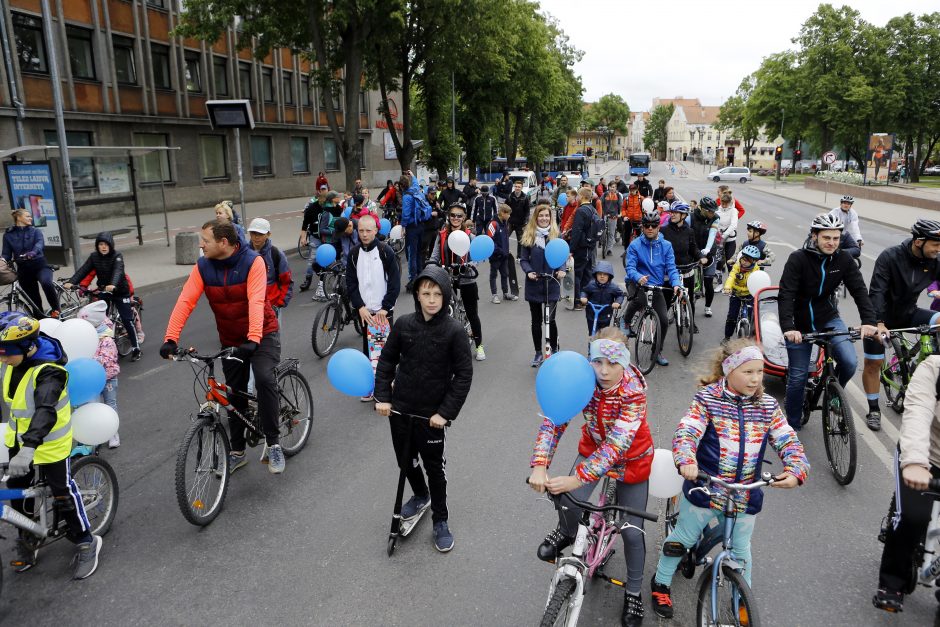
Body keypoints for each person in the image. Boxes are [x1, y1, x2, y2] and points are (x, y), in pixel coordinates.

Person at [649, 339, 809, 619]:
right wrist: (686, 460)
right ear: (728, 371)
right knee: (683, 538)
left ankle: (741, 597)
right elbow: (687, 431)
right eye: (748, 372)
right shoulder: (707, 398)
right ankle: (661, 581)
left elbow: (787, 439)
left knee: (741, 551)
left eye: (759, 371)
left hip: (746, 493)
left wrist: (796, 468)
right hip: (706, 488)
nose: (756, 378)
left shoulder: (768, 405)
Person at [529, 327, 653, 626]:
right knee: (569, 503)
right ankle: (568, 532)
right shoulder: (582, 379)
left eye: (613, 364)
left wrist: (576, 478)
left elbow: (615, 447)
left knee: (632, 533)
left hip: (631, 460)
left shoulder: (633, 394)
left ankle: (634, 593)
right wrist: (540, 464)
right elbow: (554, 421)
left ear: (625, 362)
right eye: (598, 362)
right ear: (589, 359)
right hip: (592, 449)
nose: (605, 371)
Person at [161, 219, 285, 473]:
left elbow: (255, 300)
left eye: (205, 241)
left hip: (262, 333)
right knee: (234, 392)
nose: (201, 245)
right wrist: (171, 338)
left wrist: (252, 339)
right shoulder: (204, 266)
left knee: (263, 378)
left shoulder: (253, 262)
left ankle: (273, 444)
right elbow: (186, 301)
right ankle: (237, 451)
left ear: (223, 242)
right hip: (231, 339)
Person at [374, 264, 473, 553]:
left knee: (435, 469)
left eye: (437, 294)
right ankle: (419, 494)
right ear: (417, 294)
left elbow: (463, 376)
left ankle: (440, 520)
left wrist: (445, 413)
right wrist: (383, 398)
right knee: (406, 462)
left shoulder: (454, 331)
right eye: (425, 293)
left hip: (432, 417)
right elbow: (387, 362)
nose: (431, 299)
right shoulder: (404, 324)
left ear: (445, 297)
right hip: (401, 410)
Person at [0, 312, 103, 579]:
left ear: (27, 347)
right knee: (16, 491)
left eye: (6, 353)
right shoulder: (14, 361)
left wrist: (29, 448)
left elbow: (45, 410)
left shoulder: (49, 373)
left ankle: (85, 540)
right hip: (20, 441)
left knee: (62, 490)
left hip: (49, 443)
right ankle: (28, 538)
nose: (2, 358)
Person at [778, 214, 878, 430]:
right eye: (826, 237)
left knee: (850, 362)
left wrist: (869, 322)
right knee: (797, 377)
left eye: (836, 238)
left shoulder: (844, 260)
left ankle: (834, 393)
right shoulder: (798, 258)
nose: (831, 243)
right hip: (800, 323)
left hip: (828, 318)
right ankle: (791, 426)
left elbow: (860, 291)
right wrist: (789, 327)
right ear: (814, 236)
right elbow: (786, 294)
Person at [873, 355, 940, 612]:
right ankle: (892, 583)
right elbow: (918, 415)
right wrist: (915, 462)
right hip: (925, 456)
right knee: (912, 515)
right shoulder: (933, 368)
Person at [862, 220, 940, 430]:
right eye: (936, 245)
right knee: (874, 364)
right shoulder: (890, 256)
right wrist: (877, 323)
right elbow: (876, 291)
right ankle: (873, 409)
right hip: (880, 318)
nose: (938, 249)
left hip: (908, 313)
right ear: (918, 241)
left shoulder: (935, 260)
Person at [347, 215, 401, 399]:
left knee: (387, 350)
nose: (364, 234)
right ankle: (369, 387)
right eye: (361, 230)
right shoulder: (354, 253)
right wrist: (359, 307)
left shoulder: (386, 252)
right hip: (365, 312)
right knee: (367, 350)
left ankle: (389, 385)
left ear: (376, 230)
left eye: (368, 230)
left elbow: (394, 283)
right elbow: (351, 283)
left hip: (383, 312)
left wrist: (385, 308)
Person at [63, 232, 140, 362]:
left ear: (111, 245)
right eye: (100, 244)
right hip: (105, 290)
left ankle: (136, 348)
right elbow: (84, 270)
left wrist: (113, 284)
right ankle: (103, 347)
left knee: (127, 320)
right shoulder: (94, 257)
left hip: (120, 291)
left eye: (106, 244)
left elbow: (118, 271)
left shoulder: (117, 256)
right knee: (101, 319)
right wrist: (72, 282)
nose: (103, 247)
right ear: (97, 246)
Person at [624, 210, 682, 366]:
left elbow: (671, 267)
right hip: (636, 282)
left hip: (656, 286)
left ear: (658, 227)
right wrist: (638, 277)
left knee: (663, 320)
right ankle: (626, 322)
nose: (650, 228)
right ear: (643, 227)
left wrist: (676, 283)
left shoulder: (666, 246)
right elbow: (630, 267)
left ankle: (656, 352)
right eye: (647, 225)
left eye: (654, 225)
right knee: (640, 300)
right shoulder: (635, 245)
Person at [430, 204, 486, 361]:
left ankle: (479, 345)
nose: (455, 218)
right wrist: (431, 263)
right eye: (453, 215)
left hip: (467, 277)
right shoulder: (442, 235)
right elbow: (435, 255)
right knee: (442, 312)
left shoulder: (470, 236)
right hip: (446, 276)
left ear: (464, 217)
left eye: (459, 216)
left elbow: (478, 256)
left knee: (471, 312)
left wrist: (470, 264)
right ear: (449, 216)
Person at [520, 201, 566, 367]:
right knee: (536, 321)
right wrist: (529, 271)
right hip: (534, 283)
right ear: (536, 217)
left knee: (550, 320)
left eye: (547, 215)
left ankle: (554, 349)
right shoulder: (529, 235)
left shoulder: (556, 236)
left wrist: (562, 270)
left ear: (550, 217)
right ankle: (538, 353)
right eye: (541, 215)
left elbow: (562, 258)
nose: (544, 218)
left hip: (552, 282)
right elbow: (523, 260)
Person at [77, 300, 121, 448]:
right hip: (91, 379)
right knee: (92, 406)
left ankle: (113, 432)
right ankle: (94, 434)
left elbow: (107, 359)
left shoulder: (106, 338)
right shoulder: (83, 337)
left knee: (110, 404)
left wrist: (91, 361)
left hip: (108, 378)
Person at [2, 207, 60, 317]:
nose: (31, 218)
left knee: (46, 283)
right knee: (34, 300)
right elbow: (6, 253)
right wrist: (2, 260)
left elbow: (39, 244)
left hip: (40, 266)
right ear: (19, 218)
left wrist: (33, 253)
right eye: (28, 216)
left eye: (30, 216)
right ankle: (41, 320)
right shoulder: (8, 235)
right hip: (23, 270)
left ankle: (56, 310)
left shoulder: (35, 231)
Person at [661, 202, 704, 327]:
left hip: (686, 270)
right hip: (670, 271)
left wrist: (701, 257)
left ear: (684, 215)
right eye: (671, 212)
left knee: (689, 300)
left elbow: (693, 248)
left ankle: (691, 322)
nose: (672, 215)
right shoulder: (664, 230)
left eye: (675, 213)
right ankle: (662, 323)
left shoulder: (689, 231)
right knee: (666, 300)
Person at [247, 218, 292, 322]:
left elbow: (287, 281)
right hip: (249, 305)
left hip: (272, 306)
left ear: (268, 234)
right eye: (253, 233)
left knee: (273, 337)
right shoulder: (243, 253)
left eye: (260, 234)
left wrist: (280, 303)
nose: (256, 237)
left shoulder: (276, 254)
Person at [569, 188, 601, 312]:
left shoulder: (581, 211)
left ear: (581, 196)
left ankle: (577, 301)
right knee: (587, 274)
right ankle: (585, 299)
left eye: (577, 196)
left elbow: (577, 231)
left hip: (581, 247)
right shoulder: (593, 210)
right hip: (590, 247)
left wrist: (571, 249)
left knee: (577, 273)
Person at [722, 244, 761, 341]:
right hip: (736, 293)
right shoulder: (737, 266)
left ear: (754, 262)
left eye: (747, 260)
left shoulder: (756, 270)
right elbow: (731, 277)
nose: (744, 262)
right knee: (732, 316)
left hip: (749, 293)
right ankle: (727, 337)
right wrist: (727, 287)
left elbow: (760, 280)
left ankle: (753, 336)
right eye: (743, 259)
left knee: (754, 316)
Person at [691, 196, 721, 318]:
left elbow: (712, 234)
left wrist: (708, 249)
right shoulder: (691, 217)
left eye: (714, 211)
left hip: (709, 251)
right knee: (691, 282)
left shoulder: (715, 218)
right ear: (702, 209)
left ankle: (708, 306)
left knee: (708, 283)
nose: (712, 213)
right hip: (694, 250)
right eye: (710, 211)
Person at [579, 261, 624, 335]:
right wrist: (583, 297)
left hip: (606, 315)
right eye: (599, 274)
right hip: (591, 314)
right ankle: (591, 345)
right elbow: (584, 291)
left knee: (603, 334)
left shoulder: (613, 287)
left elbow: (620, 295)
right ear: (595, 275)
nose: (602, 276)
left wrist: (617, 302)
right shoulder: (591, 285)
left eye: (605, 274)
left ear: (609, 276)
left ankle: (601, 345)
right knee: (592, 333)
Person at [400, 174, 426, 291]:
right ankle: (421, 275)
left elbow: (405, 215)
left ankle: (413, 279)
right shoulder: (415, 190)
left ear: (401, 186)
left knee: (412, 253)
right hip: (421, 225)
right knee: (419, 252)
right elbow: (415, 183)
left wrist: (403, 227)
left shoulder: (406, 196)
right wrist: (413, 175)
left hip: (412, 227)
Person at [487, 204, 516, 304]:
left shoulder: (505, 223)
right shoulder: (493, 224)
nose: (509, 216)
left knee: (505, 274)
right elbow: (490, 241)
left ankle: (506, 293)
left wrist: (507, 250)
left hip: (504, 256)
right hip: (495, 256)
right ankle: (494, 295)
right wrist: (499, 251)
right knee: (493, 275)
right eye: (508, 214)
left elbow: (505, 239)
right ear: (503, 213)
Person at [299, 191, 327, 292]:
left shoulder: (329, 207)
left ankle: (324, 279)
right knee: (312, 258)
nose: (324, 203)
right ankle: (308, 279)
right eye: (323, 200)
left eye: (326, 201)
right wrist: (303, 238)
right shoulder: (311, 208)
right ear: (318, 198)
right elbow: (304, 225)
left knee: (326, 259)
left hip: (327, 237)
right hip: (315, 237)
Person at [715, 188, 739, 270]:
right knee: (718, 260)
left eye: (726, 203)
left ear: (729, 202)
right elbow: (714, 222)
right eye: (722, 203)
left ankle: (731, 279)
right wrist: (717, 233)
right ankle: (719, 281)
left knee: (729, 260)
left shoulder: (733, 211)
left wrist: (724, 235)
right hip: (718, 239)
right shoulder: (717, 209)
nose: (724, 205)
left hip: (729, 239)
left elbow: (733, 225)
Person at [506, 179, 531, 257]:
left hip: (520, 223)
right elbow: (505, 208)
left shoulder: (525, 198)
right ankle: (505, 253)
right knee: (504, 237)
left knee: (520, 241)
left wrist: (526, 221)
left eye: (519, 187)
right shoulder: (510, 196)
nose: (517, 188)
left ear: (521, 188)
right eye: (516, 186)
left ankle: (519, 256)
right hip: (510, 222)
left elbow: (527, 211)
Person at [601, 183, 623, 257]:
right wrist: (602, 213)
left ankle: (609, 249)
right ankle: (602, 242)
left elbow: (620, 205)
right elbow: (600, 204)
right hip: (605, 215)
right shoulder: (604, 195)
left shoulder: (618, 195)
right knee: (602, 230)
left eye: (614, 187)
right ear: (608, 187)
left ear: (616, 188)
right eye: (611, 187)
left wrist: (619, 214)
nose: (612, 188)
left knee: (611, 233)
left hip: (613, 216)